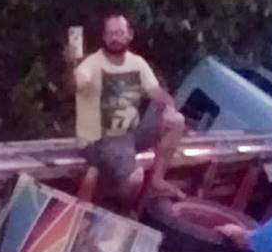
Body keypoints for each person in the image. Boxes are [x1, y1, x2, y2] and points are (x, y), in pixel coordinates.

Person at [63, 13, 185, 204]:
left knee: (177, 120)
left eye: (119, 33)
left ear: (129, 35)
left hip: (128, 135)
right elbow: (73, 85)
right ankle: (118, 206)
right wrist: (71, 65)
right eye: (110, 34)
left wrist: (169, 106)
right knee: (135, 177)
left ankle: (157, 180)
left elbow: (157, 92)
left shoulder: (137, 63)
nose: (115, 38)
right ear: (104, 38)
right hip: (98, 140)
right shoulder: (92, 63)